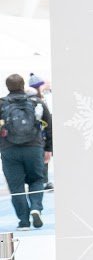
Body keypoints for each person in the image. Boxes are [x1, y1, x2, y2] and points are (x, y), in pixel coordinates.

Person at [0, 74, 50, 229]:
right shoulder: (36, 102)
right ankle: (36, 207)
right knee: (36, 180)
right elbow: (49, 125)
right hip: (34, 148)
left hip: (9, 150)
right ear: (23, 85)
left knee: (16, 187)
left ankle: (23, 221)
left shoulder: (1, 104)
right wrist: (48, 149)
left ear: (7, 86)